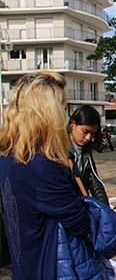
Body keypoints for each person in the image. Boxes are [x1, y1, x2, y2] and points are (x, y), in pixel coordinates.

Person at [0, 72, 90, 279]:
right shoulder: (41, 166)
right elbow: (79, 221)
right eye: (61, 108)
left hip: (23, 264)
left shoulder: (7, 157)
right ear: (47, 114)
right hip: (47, 265)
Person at [68, 105, 109, 205]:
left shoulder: (86, 151)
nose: (88, 138)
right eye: (85, 132)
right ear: (73, 124)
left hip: (79, 205)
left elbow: (94, 181)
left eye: (92, 133)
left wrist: (105, 210)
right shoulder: (58, 149)